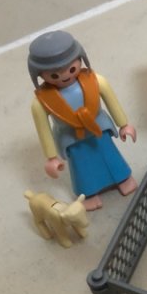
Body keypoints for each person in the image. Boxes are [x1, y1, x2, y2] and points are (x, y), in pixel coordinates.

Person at [28, 30, 137, 211]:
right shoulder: (41, 102)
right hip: (71, 138)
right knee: (82, 167)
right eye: (54, 75)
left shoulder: (96, 81)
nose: (64, 76)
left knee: (110, 156)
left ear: (80, 59)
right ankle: (88, 193)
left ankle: (122, 178)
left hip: (99, 129)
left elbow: (111, 101)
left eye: (71, 69)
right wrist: (51, 157)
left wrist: (124, 124)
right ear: (40, 74)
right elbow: (43, 129)